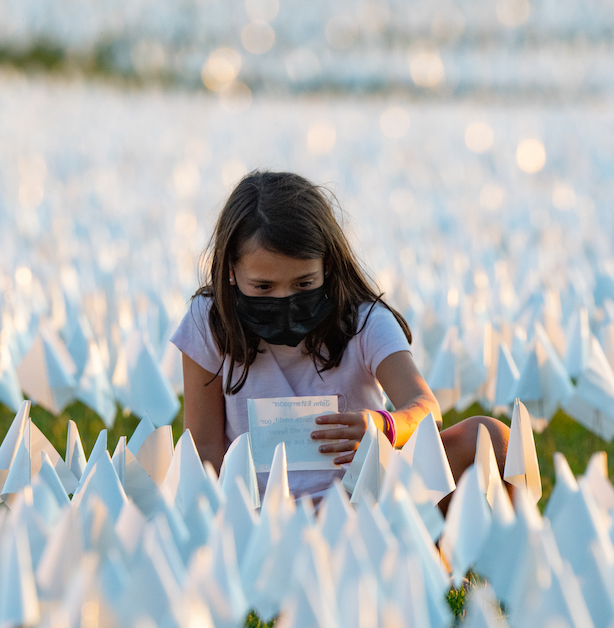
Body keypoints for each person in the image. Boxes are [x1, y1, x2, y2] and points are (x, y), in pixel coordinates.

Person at [173, 169, 510, 506]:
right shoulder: (210, 322)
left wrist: (383, 428)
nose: (284, 300)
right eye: (263, 287)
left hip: (364, 503)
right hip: (264, 516)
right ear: (231, 271)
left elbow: (425, 410)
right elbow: (203, 448)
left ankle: (456, 553)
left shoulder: (365, 321)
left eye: (304, 284)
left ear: (328, 266)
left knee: (491, 438)